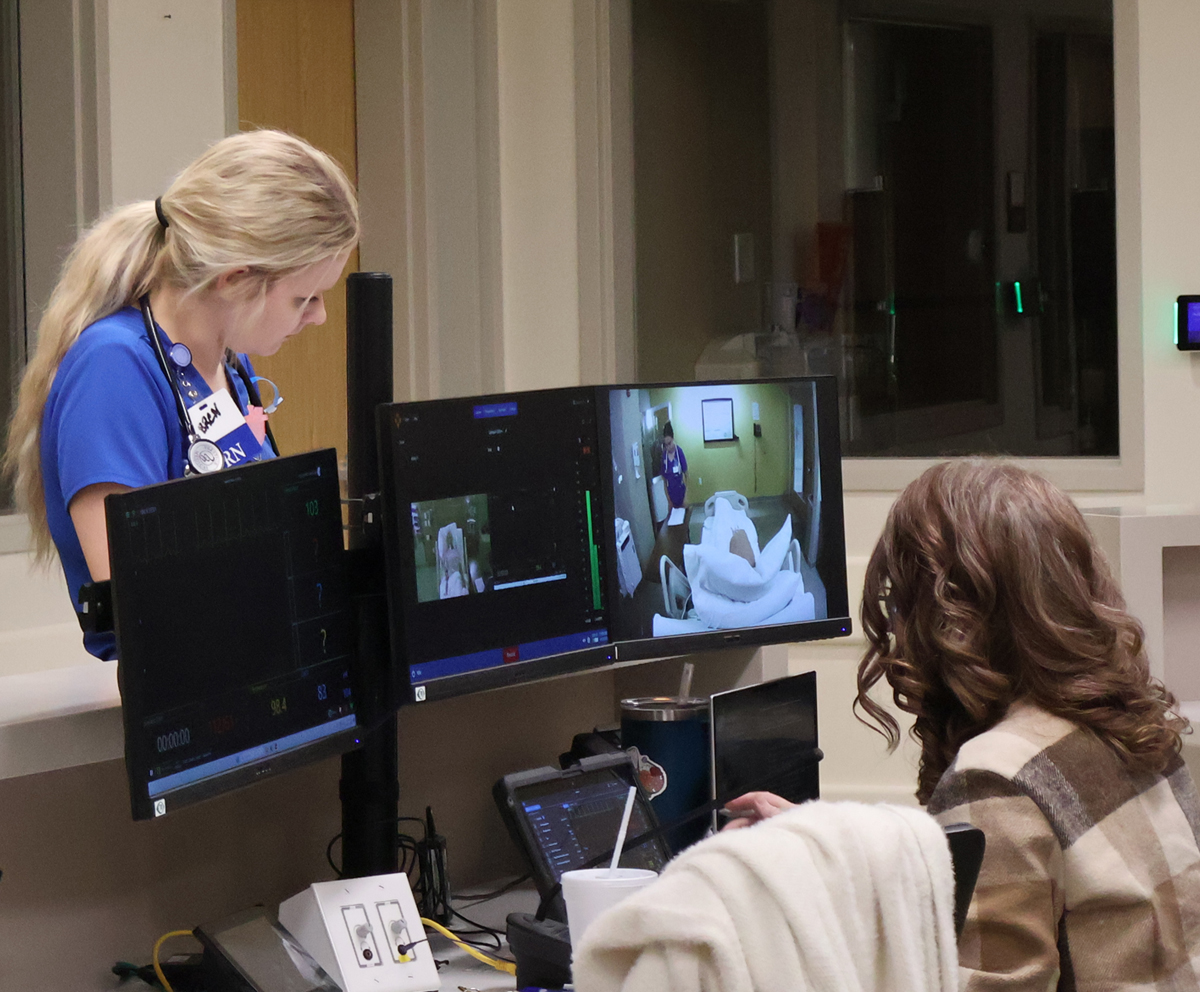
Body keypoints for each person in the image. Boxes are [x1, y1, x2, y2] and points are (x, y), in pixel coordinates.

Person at [725, 459, 1200, 989]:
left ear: (948, 615)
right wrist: (828, 850)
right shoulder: (1129, 727)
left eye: (900, 603)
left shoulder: (1000, 776)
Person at [2, 129, 359, 660]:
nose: (319, 317)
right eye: (303, 298)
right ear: (235, 279)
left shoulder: (229, 366)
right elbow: (146, 600)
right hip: (184, 698)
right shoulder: (113, 369)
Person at [661, 420, 687, 510]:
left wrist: (686, 496)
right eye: (666, 445)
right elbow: (664, 481)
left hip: (681, 492)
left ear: (673, 439)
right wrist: (668, 500)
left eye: (670, 443)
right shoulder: (664, 456)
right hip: (671, 494)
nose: (668, 447)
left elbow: (686, 474)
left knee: (683, 518)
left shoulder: (679, 452)